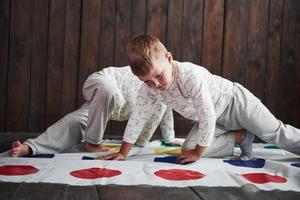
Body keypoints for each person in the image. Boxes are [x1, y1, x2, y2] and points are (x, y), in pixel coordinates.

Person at [98, 34, 300, 164]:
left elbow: (207, 114)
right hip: (214, 120)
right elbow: (137, 118)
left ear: (169, 59)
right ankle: (240, 136)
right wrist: (124, 152)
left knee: (275, 133)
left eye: (158, 76)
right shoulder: (149, 90)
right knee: (187, 150)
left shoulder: (188, 75)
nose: (156, 84)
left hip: (235, 103)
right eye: (147, 81)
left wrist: (199, 153)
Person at [9, 66, 176, 157]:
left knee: (77, 122)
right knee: (109, 92)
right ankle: (93, 142)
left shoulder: (162, 99)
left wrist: (169, 138)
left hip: (107, 108)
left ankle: (30, 147)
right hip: (104, 82)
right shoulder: (150, 77)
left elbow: (162, 114)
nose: (156, 84)